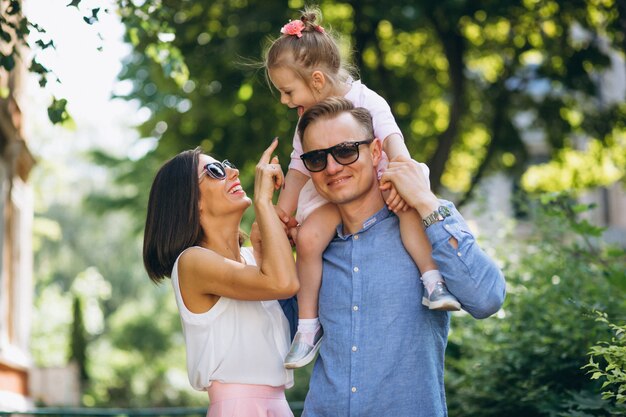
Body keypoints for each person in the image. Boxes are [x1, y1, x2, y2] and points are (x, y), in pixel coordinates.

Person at [263, 7, 461, 369]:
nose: (285, 100)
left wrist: (402, 181)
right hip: (330, 194)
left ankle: (433, 281)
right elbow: (297, 168)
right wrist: (281, 212)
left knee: (407, 211)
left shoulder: (370, 102)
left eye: (288, 91)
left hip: (379, 185)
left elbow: (398, 150)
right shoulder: (306, 123)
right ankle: (308, 327)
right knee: (308, 240)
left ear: (317, 81)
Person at [295, 97, 506, 416]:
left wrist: (424, 200)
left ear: (376, 151)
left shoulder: (427, 225)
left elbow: (487, 299)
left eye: (345, 150)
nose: (333, 167)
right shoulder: (312, 248)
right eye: (316, 158)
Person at [143, 140, 299, 417]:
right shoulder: (192, 262)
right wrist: (263, 202)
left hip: (277, 407)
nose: (234, 172)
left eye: (227, 165)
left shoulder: (253, 261)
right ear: (191, 202)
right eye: (215, 170)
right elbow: (283, 283)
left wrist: (266, 245)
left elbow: (286, 287)